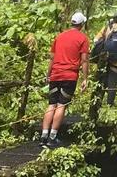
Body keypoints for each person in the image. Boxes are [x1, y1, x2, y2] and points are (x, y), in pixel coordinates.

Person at [39, 11, 89, 147]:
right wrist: (85, 78)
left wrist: (48, 75)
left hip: (55, 74)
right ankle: (52, 137)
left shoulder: (59, 36)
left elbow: (52, 58)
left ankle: (43, 136)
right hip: (69, 76)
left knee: (51, 104)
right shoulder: (83, 38)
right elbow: (84, 60)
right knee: (61, 105)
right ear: (82, 24)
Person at [94, 12, 117, 106]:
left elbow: (96, 40)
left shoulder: (107, 27)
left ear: (113, 19)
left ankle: (97, 103)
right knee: (112, 85)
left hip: (104, 60)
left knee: (101, 82)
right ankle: (109, 106)